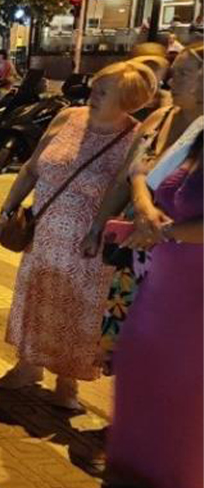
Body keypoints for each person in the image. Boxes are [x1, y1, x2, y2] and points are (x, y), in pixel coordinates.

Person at [0, 60, 155, 410]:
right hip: (45, 230)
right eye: (94, 87)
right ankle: (28, 365)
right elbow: (32, 166)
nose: (92, 95)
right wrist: (9, 207)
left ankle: (67, 383)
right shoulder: (69, 117)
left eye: (103, 91)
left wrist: (99, 227)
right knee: (38, 297)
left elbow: (124, 188)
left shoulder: (135, 136)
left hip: (88, 241)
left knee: (78, 309)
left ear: (127, 100)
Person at [103, 131, 202, 488]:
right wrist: (144, 204)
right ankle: (139, 467)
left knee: (184, 381)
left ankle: (182, 484)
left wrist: (165, 232)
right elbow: (147, 178)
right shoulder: (197, 137)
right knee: (140, 364)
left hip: (196, 287)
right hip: (164, 275)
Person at [93, 42, 204, 372]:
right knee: (129, 336)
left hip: (180, 247)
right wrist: (100, 225)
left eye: (183, 72)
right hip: (138, 243)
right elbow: (128, 176)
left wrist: (160, 227)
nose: (172, 79)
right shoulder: (160, 117)